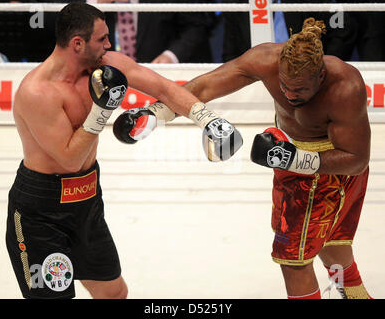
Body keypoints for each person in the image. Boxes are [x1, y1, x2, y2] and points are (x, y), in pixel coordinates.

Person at [120, 17, 372, 299]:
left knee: (293, 259)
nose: (289, 95)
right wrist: (155, 114)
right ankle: (358, 296)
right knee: (329, 239)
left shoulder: (344, 86)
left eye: (300, 90)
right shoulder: (265, 59)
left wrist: (297, 160)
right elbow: (204, 88)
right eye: (284, 86)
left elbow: (357, 159)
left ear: (320, 76)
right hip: (291, 160)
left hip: (331, 167)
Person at [5, 2, 242, 299]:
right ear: (77, 43)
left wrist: (209, 119)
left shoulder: (106, 64)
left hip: (87, 199)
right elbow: (70, 157)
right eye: (102, 39)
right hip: (40, 214)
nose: (109, 44)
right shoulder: (37, 92)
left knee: (114, 294)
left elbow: (165, 89)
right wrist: (102, 110)